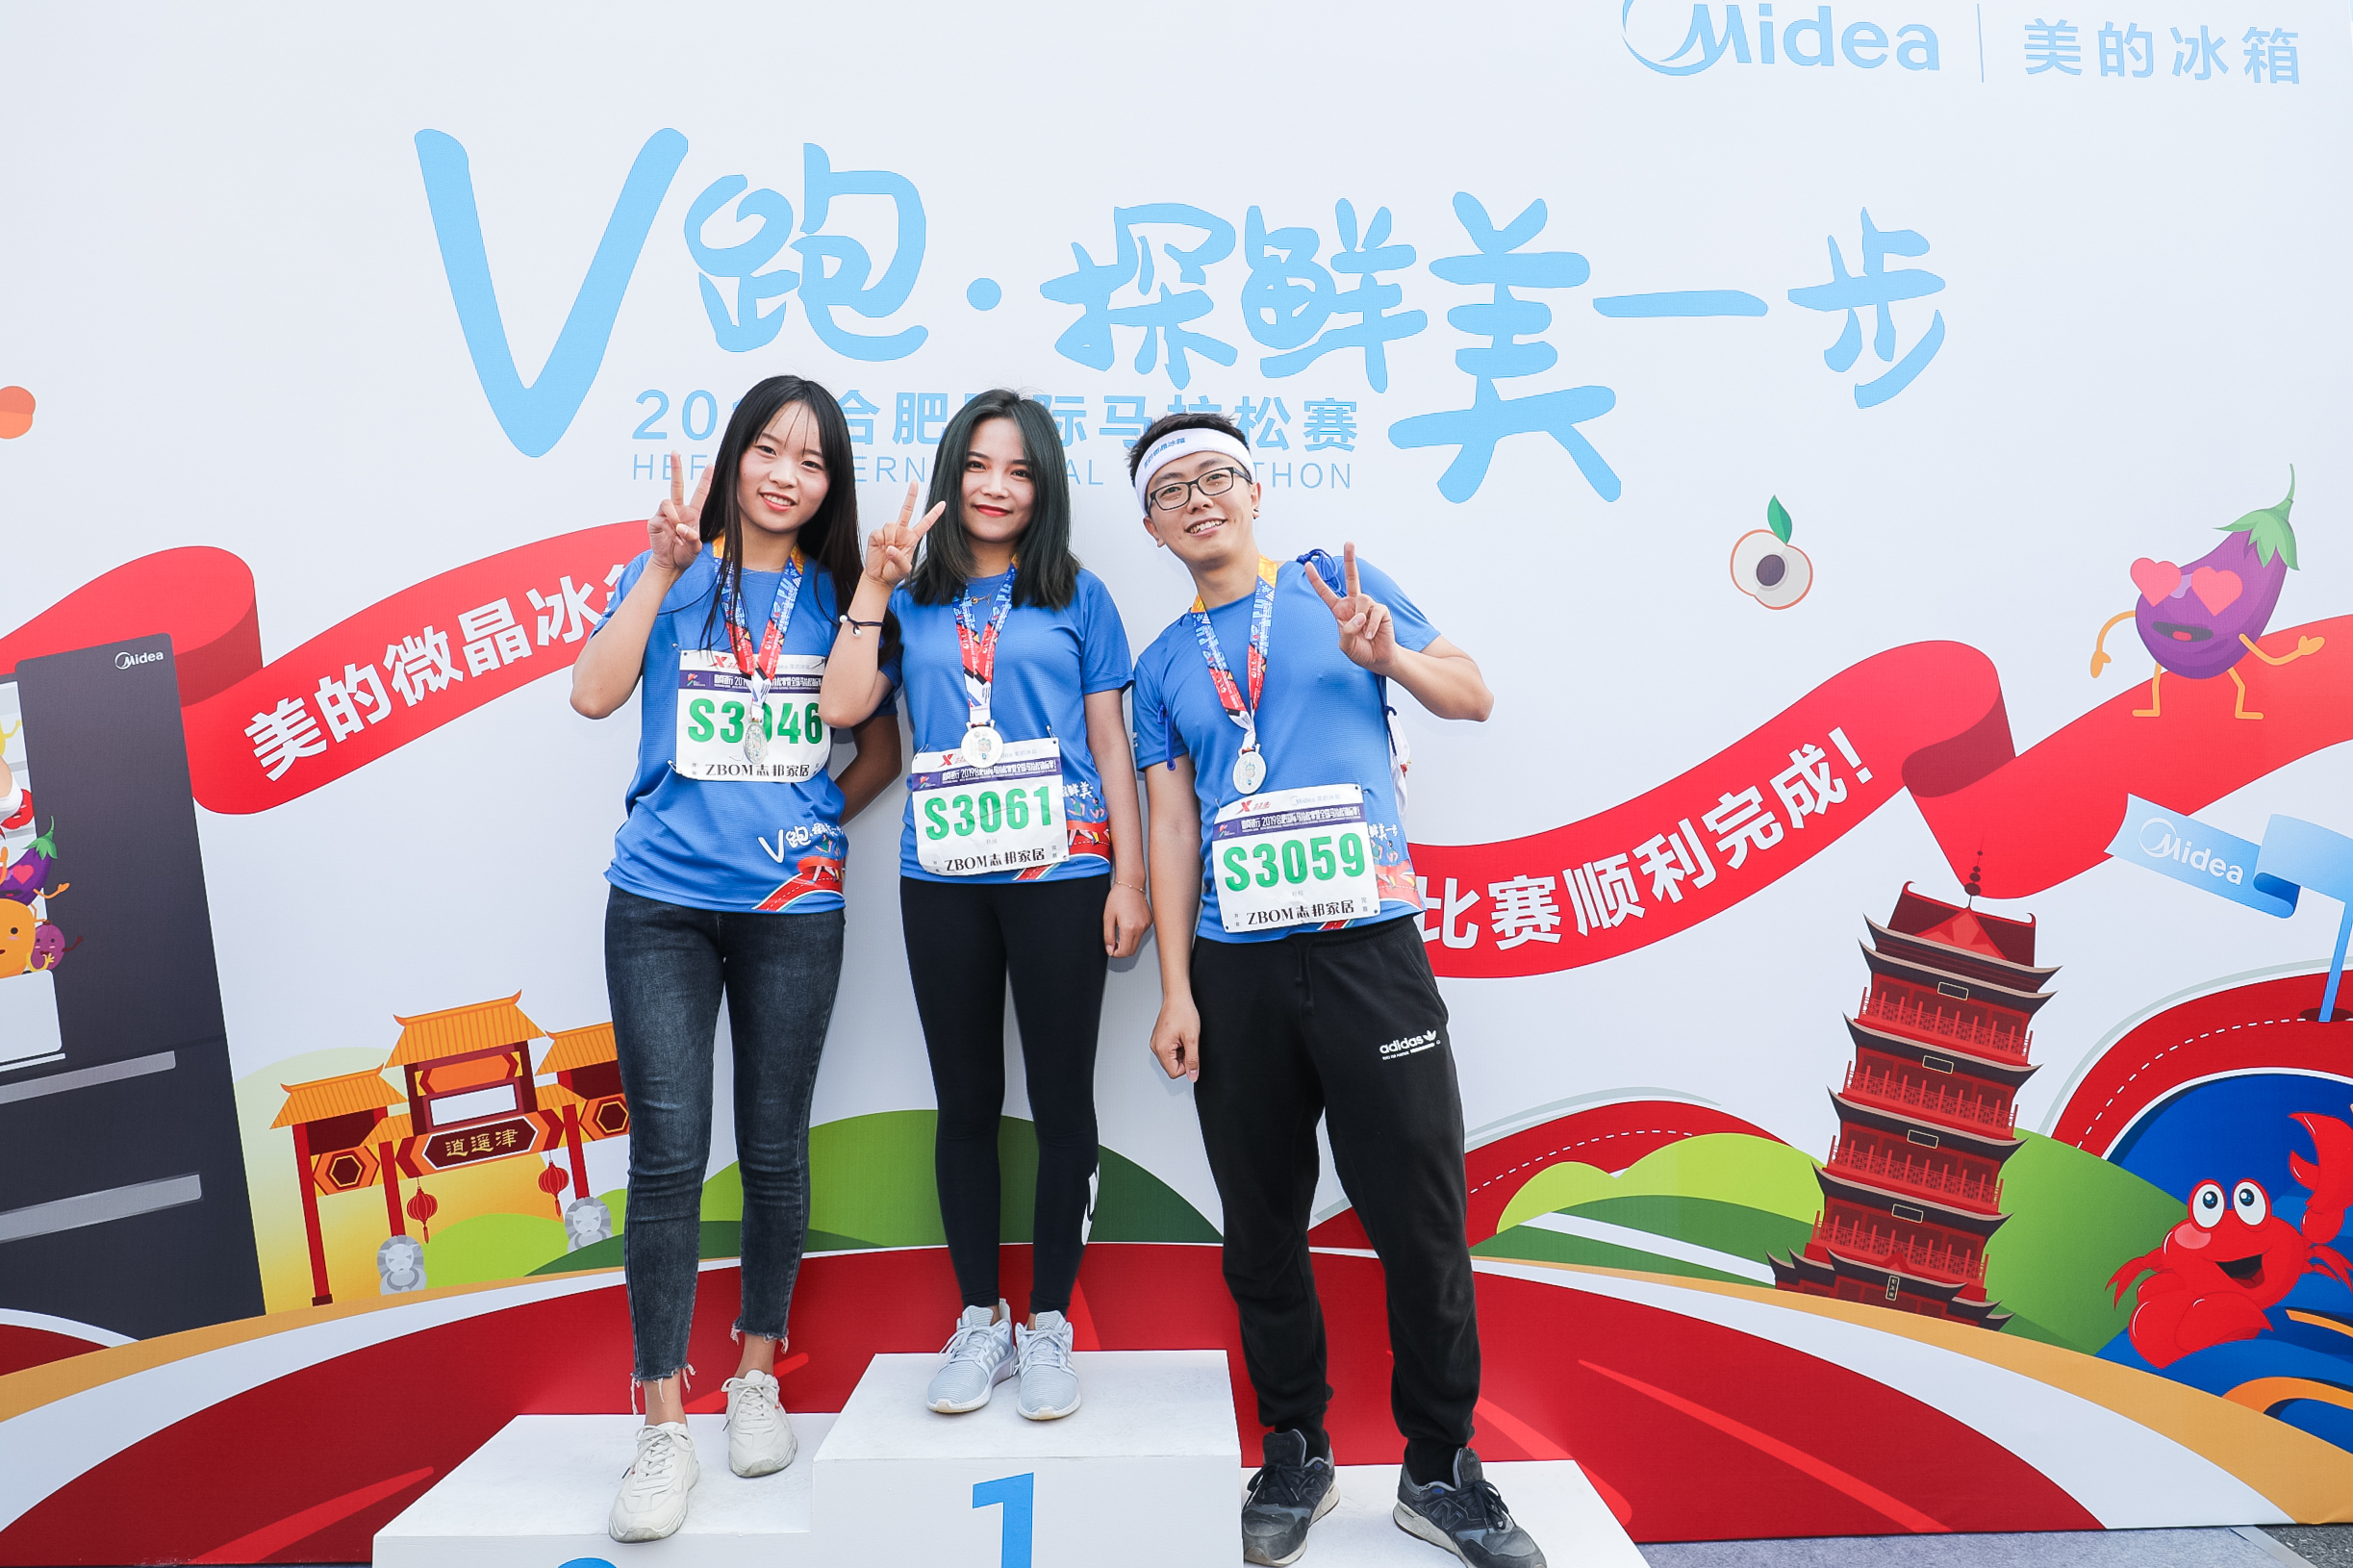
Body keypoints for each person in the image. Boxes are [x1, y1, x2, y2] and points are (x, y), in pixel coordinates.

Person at [1126, 413, 1545, 1568]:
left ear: (1255, 490)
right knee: (1261, 1224)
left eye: (1216, 476)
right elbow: (1171, 829)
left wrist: (1388, 657)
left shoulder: (1335, 587)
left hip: (1369, 949)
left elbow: (1470, 694)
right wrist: (1176, 988)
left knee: (1420, 1216)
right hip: (1237, 963)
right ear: (1152, 527)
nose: (1198, 500)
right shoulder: (1162, 664)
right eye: (1171, 491)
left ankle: (1439, 1468)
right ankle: (1296, 1449)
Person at [570, 375, 901, 1543]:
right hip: (659, 905)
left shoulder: (841, 595)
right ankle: (663, 1422)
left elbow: (871, 739)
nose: (785, 475)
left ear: (829, 484)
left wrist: (806, 825)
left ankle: (755, 1373)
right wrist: (659, 569)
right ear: (731, 460)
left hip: (792, 910)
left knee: (772, 1146)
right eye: (767, 449)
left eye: (811, 461)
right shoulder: (670, 572)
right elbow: (591, 694)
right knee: (667, 1157)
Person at [820, 389, 1148, 1422]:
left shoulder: (1080, 596)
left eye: (1020, 471)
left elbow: (1111, 744)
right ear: (950, 473)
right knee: (963, 1103)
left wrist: (1130, 878)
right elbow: (842, 709)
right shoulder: (911, 598)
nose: (996, 487)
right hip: (943, 879)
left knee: (1060, 1103)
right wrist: (872, 585)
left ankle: (1047, 1324)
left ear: (1043, 489)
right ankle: (979, 1319)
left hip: (1063, 875)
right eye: (978, 465)